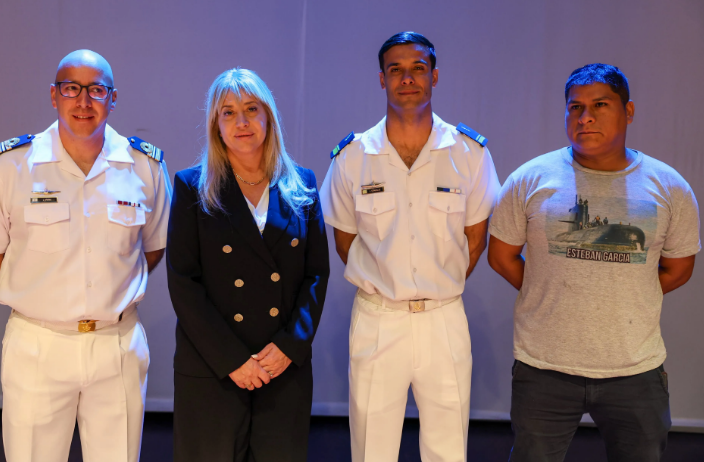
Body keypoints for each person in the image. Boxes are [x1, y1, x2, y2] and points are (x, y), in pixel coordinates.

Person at [0, 49, 171, 462]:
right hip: (38, 345)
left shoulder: (144, 167)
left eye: (96, 90)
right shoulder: (11, 166)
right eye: (72, 88)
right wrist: (38, 298)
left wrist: (109, 294)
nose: (83, 101)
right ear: (54, 96)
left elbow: (153, 247)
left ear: (114, 98)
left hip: (117, 345)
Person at [488, 63, 700, 462]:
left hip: (635, 369)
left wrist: (626, 290)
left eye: (600, 105)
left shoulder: (669, 186)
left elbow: (678, 268)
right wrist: (548, 285)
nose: (584, 117)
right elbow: (501, 257)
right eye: (574, 107)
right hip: (544, 368)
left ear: (629, 111)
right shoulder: (530, 179)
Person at [319, 32, 501, 462]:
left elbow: (476, 240)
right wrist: (390, 282)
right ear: (381, 80)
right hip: (379, 318)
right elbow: (345, 241)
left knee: (447, 447)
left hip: (443, 319)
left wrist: (435, 282)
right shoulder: (352, 156)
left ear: (434, 76)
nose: (407, 79)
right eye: (395, 70)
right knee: (371, 448)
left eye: (418, 68)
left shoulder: (468, 153)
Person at [166, 68, 330, 461]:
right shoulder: (191, 186)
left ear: (268, 117)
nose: (241, 122)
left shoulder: (302, 184)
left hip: (282, 368)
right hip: (213, 368)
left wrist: (290, 346)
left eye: (251, 108)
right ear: (215, 125)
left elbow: (316, 275)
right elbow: (183, 282)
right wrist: (233, 360)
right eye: (228, 112)